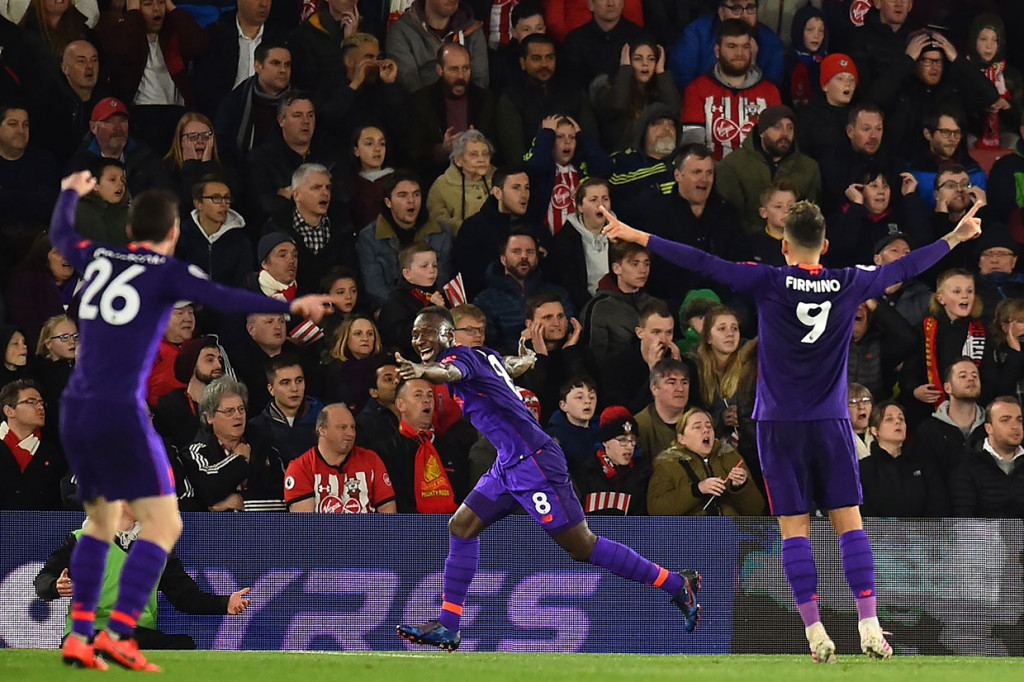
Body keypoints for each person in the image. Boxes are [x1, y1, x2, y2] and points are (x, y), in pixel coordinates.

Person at [602, 197, 983, 661]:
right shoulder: (849, 281)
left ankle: (815, 632)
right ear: (825, 245)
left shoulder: (767, 279)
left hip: (779, 425)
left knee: (794, 530)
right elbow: (905, 265)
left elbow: (701, 260)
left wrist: (634, 233)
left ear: (784, 245)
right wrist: (956, 236)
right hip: (829, 422)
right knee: (849, 524)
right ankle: (870, 624)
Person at [50, 171, 329, 671]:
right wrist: (287, 303)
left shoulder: (101, 257)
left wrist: (70, 191)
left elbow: (63, 238)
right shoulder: (164, 271)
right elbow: (230, 298)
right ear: (172, 233)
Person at [394, 306, 701, 651]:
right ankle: (448, 625)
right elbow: (505, 365)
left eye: (426, 332)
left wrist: (424, 370)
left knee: (582, 546)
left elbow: (449, 371)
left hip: (535, 463)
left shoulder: (458, 358)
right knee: (461, 527)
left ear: (448, 335)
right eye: (415, 335)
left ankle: (675, 583)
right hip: (509, 463)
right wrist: (523, 363)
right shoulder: (481, 354)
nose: (418, 339)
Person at [35, 501, 252, 650]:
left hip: (136, 634)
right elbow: (43, 580)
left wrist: (224, 603)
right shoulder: (81, 540)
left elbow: (185, 596)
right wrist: (55, 586)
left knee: (184, 645)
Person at [680, 19, 781, 161]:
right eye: (732, 46)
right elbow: (693, 148)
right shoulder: (697, 89)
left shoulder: (769, 91)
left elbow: (776, 146)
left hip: (758, 177)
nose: (739, 53)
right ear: (717, 50)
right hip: (713, 177)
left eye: (745, 47)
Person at [184, 376, 287, 512]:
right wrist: (239, 459)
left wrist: (242, 502)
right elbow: (208, 490)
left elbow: (284, 499)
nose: (238, 416)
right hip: (215, 531)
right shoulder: (197, 452)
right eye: (229, 411)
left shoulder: (264, 449)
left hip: (261, 530)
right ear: (210, 417)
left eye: (241, 409)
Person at [647, 406, 763, 516]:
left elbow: (757, 510)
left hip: (732, 532)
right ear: (681, 438)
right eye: (697, 427)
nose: (706, 430)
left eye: (709, 426)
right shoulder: (668, 464)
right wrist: (697, 489)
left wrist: (740, 488)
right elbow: (656, 509)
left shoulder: (730, 456)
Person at [283, 403, 397, 513]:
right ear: (322, 430)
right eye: (342, 427)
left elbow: (388, 509)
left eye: (352, 427)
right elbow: (304, 525)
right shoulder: (300, 468)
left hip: (366, 532)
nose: (351, 433)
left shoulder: (371, 460)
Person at [859, 401, 949, 517]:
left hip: (921, 533)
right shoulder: (863, 469)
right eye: (889, 419)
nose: (898, 422)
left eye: (901, 419)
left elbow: (939, 508)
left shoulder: (924, 465)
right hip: (878, 534)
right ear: (875, 431)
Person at [949, 395, 1024, 518]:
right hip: (985, 536)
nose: (1015, 426)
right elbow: (964, 521)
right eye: (1005, 420)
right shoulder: (967, 464)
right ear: (989, 428)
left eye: (1019, 420)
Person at [0, 379, 67, 510]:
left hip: (39, 528)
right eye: (31, 402)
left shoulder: (52, 455)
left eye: (41, 403)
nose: (40, 407)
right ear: (9, 411)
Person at [571, 405, 650, 515]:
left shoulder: (644, 473)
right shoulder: (585, 474)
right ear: (605, 442)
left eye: (632, 440)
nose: (629, 446)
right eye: (622, 440)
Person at [248, 354, 324, 464]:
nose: (294, 388)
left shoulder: (324, 419)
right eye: (285, 383)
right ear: (271, 389)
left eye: (299, 381)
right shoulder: (256, 428)